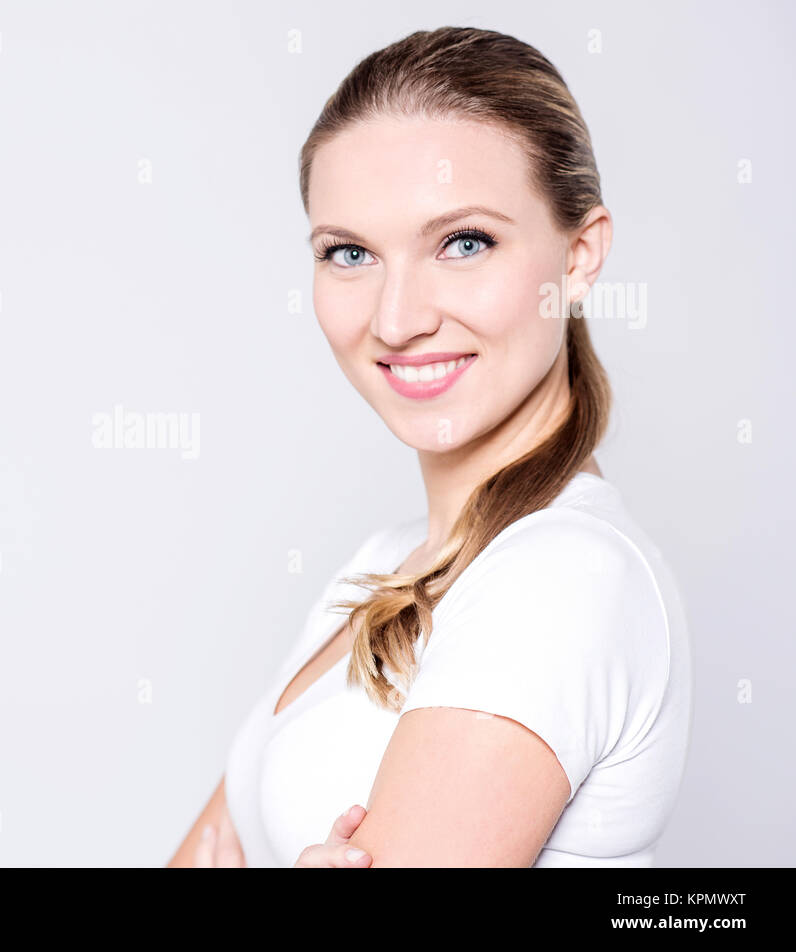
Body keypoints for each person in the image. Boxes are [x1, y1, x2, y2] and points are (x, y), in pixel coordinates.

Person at [168, 26, 692, 868]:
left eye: (463, 242)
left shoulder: (560, 576)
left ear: (581, 254)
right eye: (350, 253)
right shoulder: (380, 565)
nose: (396, 318)